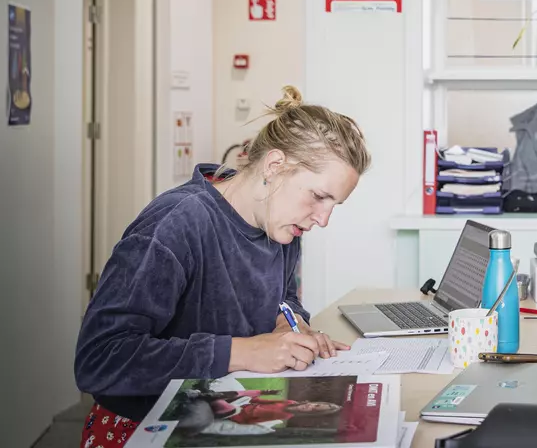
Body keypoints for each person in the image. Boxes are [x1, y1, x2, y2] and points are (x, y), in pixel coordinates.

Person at [75, 86, 371, 446]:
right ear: (275, 166)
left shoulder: (283, 227)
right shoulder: (176, 223)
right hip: (144, 427)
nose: (323, 219)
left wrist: (288, 323)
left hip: (223, 415)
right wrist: (242, 351)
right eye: (319, 196)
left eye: (333, 205)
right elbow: (99, 358)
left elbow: (283, 298)